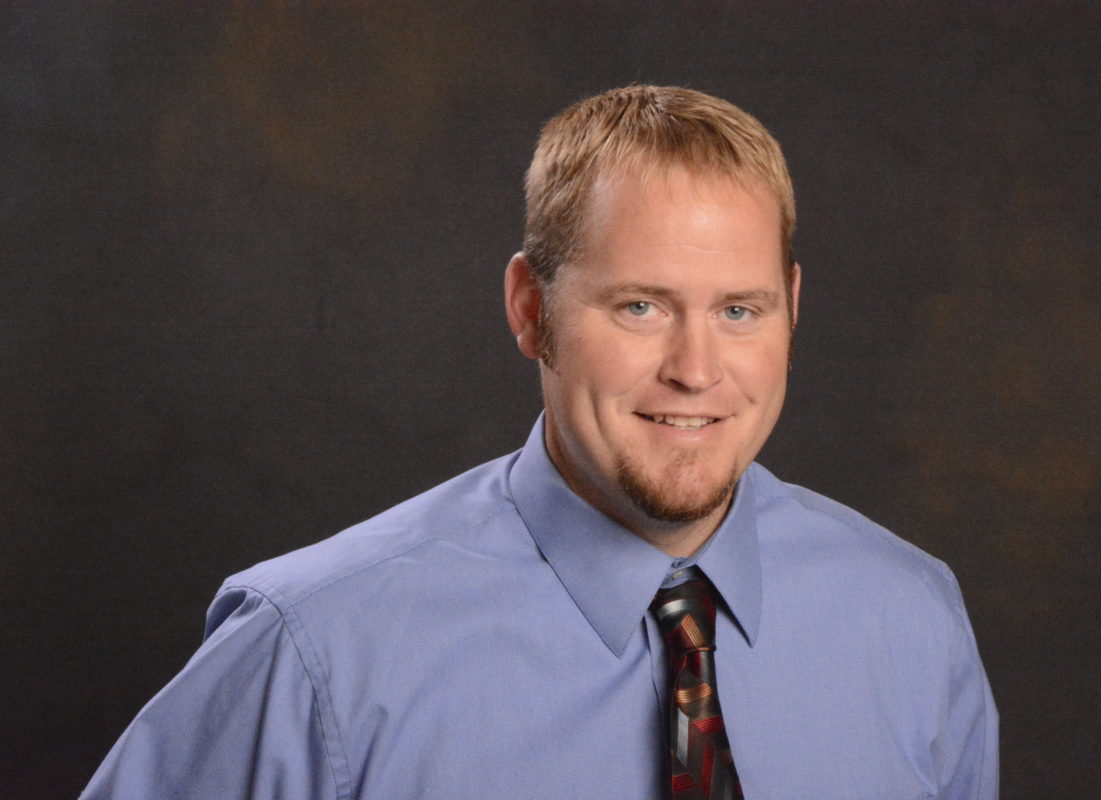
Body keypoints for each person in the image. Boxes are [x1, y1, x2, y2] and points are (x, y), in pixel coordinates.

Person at [81, 85, 998, 799]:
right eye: (640, 307)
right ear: (531, 309)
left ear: (791, 310)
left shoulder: (910, 619)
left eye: (738, 311)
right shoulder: (317, 653)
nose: (696, 369)